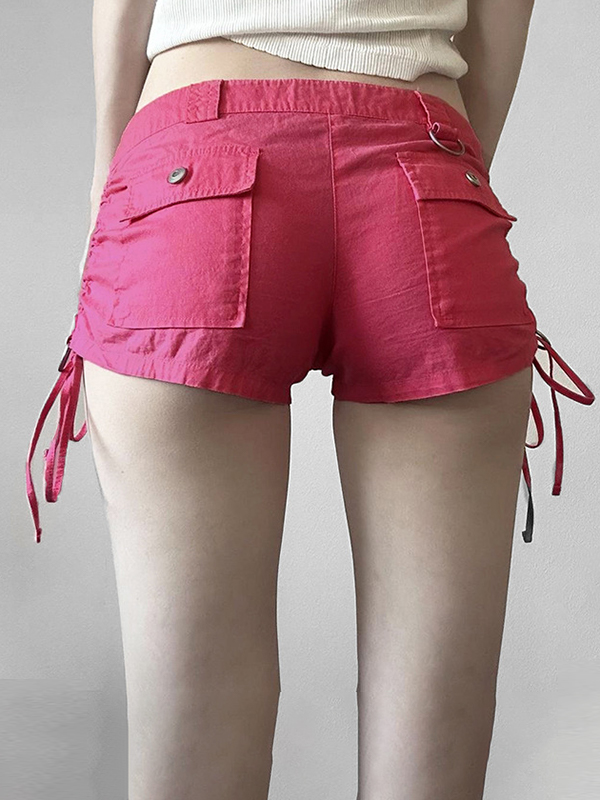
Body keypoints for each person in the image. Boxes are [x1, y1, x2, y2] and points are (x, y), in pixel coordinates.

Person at [26, 2, 596, 799]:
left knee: (195, 742)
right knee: (431, 751)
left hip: (191, 167)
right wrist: (453, 161)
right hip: (420, 161)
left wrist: (109, 182)